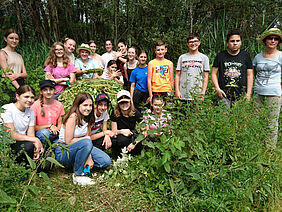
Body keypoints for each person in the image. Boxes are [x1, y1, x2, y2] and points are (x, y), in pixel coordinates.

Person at [54, 93, 111, 186]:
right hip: (65, 150)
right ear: (78, 105)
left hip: (81, 147)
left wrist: (89, 157)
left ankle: (80, 162)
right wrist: (86, 139)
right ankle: (78, 175)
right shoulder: (73, 117)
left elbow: (87, 138)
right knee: (87, 141)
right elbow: (68, 141)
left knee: (105, 161)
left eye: (90, 105)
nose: (88, 108)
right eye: (85, 105)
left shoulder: (88, 117)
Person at [253, 28, 282, 149]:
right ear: (265, 41)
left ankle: (269, 149)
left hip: (274, 92)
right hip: (258, 92)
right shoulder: (258, 57)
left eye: (276, 39)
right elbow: (255, 72)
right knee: (256, 119)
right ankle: (256, 145)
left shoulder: (280, 56)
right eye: (270, 38)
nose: (273, 41)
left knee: (272, 122)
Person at [1, 85, 44, 164]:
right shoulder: (7, 109)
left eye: (32, 97)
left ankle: (29, 163)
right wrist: (35, 140)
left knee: (46, 163)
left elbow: (31, 134)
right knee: (29, 147)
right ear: (17, 96)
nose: (29, 100)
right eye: (26, 97)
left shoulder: (30, 112)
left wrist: (36, 148)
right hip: (9, 144)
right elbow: (11, 134)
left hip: (24, 142)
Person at [211, 28, 253, 108]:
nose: (235, 43)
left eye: (237, 41)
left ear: (241, 42)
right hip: (224, 94)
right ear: (227, 43)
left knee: (239, 119)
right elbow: (213, 73)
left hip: (241, 95)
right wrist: (217, 89)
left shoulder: (246, 56)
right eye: (232, 41)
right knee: (223, 118)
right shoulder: (220, 56)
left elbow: (250, 75)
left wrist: (248, 94)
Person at [175, 33, 210, 102]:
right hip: (183, 94)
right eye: (190, 42)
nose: (193, 44)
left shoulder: (204, 58)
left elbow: (206, 76)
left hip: (197, 94)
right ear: (187, 44)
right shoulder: (182, 57)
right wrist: (177, 91)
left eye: (195, 41)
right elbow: (177, 75)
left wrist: (203, 93)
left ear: (199, 43)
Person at [31, 80, 65, 147]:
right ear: (41, 92)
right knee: (44, 133)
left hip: (54, 134)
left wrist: (57, 131)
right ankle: (44, 152)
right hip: (41, 133)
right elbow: (33, 127)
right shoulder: (35, 105)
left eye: (51, 89)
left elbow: (60, 124)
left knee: (61, 144)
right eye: (45, 90)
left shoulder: (59, 105)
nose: (48, 92)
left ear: (55, 91)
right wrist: (49, 126)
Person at [110, 90, 143, 156]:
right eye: (122, 103)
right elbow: (113, 131)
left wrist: (134, 143)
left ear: (130, 102)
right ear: (118, 104)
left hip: (131, 134)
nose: (124, 105)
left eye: (126, 102)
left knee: (142, 142)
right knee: (119, 141)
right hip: (120, 134)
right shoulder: (115, 113)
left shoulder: (135, 112)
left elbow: (145, 130)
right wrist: (122, 131)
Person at [0, 28, 27, 99]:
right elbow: (8, 74)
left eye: (16, 39)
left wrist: (17, 75)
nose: (14, 41)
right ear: (5, 39)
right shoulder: (2, 53)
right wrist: (19, 89)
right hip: (9, 85)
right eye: (11, 38)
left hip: (21, 83)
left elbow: (25, 74)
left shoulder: (19, 55)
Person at [147, 40, 174, 105]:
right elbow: (149, 80)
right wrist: (150, 95)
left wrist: (173, 92)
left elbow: (172, 79)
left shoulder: (169, 63)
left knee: (168, 110)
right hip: (156, 90)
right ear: (155, 51)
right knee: (156, 110)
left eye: (162, 49)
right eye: (158, 50)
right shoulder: (151, 63)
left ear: (166, 50)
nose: (160, 52)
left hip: (167, 90)